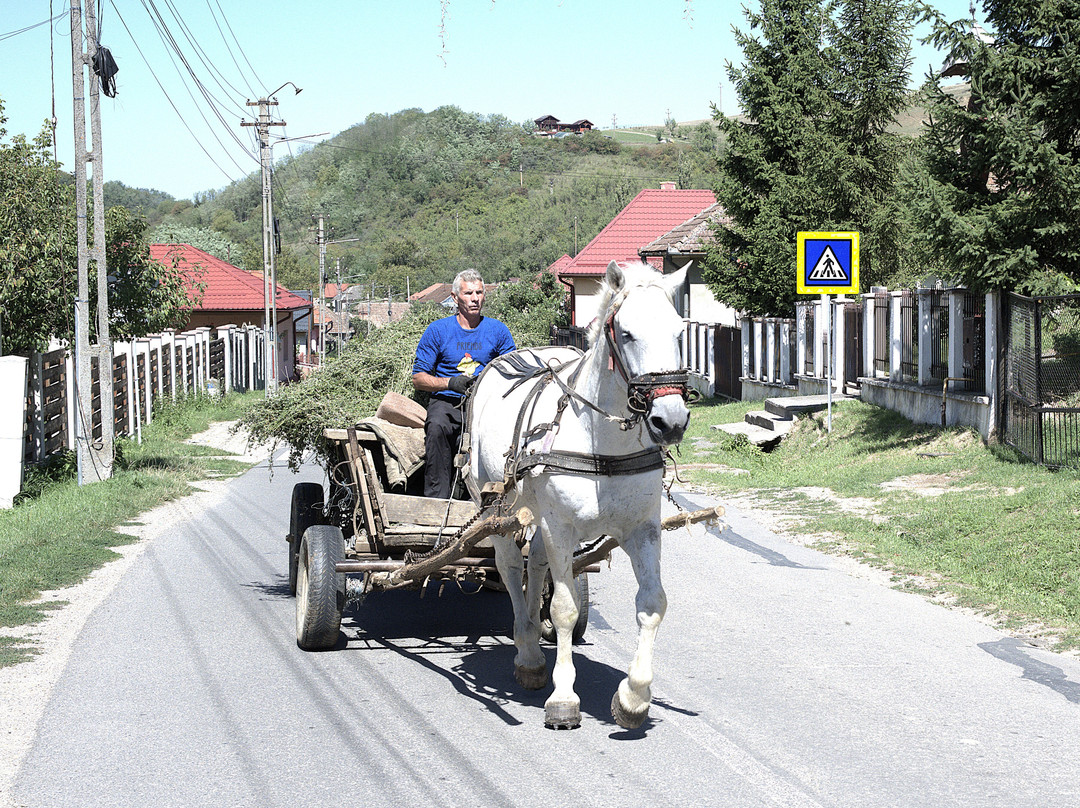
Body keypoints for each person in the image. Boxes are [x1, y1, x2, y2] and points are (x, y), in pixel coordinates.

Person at [412, 269, 515, 499]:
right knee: (437, 427)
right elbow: (418, 378)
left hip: (485, 404)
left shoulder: (498, 331)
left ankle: (493, 498)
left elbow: (513, 368)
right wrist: (450, 382)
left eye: (479, 292)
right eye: (469, 293)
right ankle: (437, 500)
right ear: (455, 297)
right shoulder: (438, 331)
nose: (475, 298)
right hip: (447, 401)